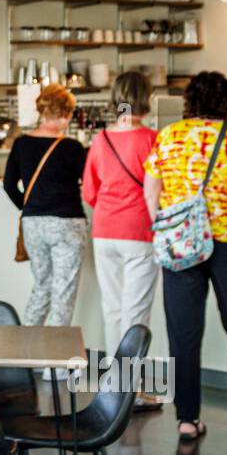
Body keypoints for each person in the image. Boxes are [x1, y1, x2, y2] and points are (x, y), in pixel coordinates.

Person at [143, 71, 227, 440]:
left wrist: (167, 228)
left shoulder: (169, 136)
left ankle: (186, 418)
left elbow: (151, 194)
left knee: (183, 331)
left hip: (181, 243)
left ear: (189, 103)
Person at [81, 72, 160, 406]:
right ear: (146, 99)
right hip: (139, 231)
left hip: (104, 231)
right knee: (135, 312)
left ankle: (116, 384)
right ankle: (133, 391)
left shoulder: (101, 140)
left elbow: (89, 191)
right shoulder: (153, 139)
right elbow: (160, 188)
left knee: (112, 309)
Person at [3, 84, 88, 328]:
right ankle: (57, 365)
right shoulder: (72, 147)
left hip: (33, 225)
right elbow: (88, 183)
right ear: (65, 113)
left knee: (42, 287)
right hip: (67, 224)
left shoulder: (21, 144)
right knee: (63, 294)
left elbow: (9, 185)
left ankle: (26, 356)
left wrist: (29, 207)